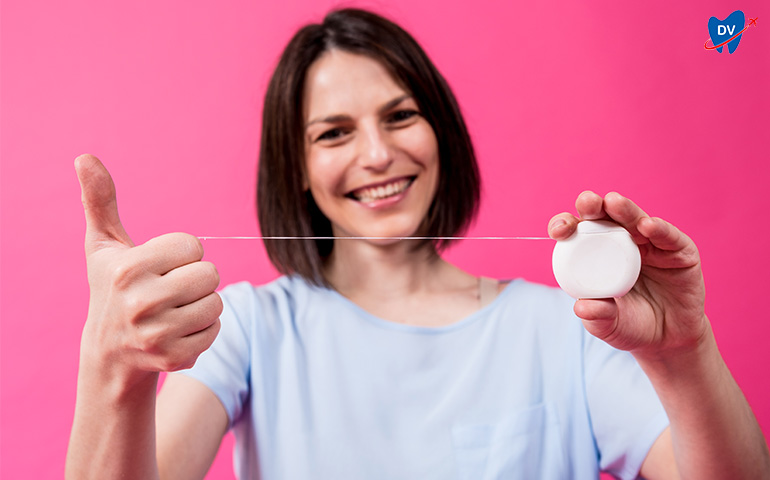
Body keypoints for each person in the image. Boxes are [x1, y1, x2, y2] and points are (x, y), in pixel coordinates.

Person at [66, 8, 770, 480]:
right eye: (334, 133)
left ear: (441, 135)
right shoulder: (247, 330)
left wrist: (685, 353)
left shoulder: (577, 328)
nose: (377, 154)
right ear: (299, 171)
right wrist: (114, 372)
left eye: (400, 116)